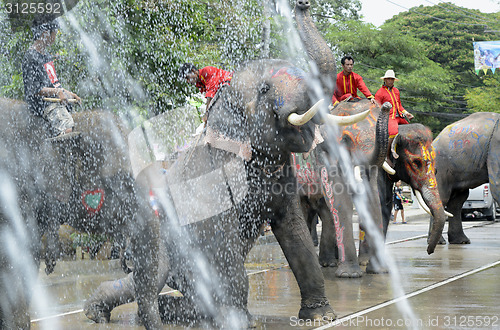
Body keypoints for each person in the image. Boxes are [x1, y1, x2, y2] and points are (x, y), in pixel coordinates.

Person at [22, 18, 81, 138]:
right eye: (54, 33)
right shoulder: (30, 57)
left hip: (53, 100)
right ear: (45, 34)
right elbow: (34, 89)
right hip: (42, 103)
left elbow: (54, 83)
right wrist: (58, 92)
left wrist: (68, 93)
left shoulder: (47, 56)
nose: (55, 36)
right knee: (67, 126)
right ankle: (61, 153)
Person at [375, 70, 414, 169]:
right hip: (389, 117)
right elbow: (376, 107)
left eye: (392, 79)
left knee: (411, 130)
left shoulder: (396, 91)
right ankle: (386, 156)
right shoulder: (380, 92)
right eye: (388, 79)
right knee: (393, 132)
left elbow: (399, 105)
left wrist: (406, 113)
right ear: (385, 80)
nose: (390, 81)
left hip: (399, 116)